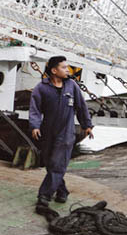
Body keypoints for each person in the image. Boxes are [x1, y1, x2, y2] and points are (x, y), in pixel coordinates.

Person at [29, 55, 94, 211]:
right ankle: (62, 191)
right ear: (54, 70)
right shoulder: (41, 88)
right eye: (64, 67)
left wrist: (87, 125)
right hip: (47, 131)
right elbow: (35, 109)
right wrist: (35, 126)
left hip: (66, 132)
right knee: (50, 163)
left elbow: (81, 106)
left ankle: (44, 195)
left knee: (58, 164)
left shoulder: (72, 86)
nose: (68, 70)